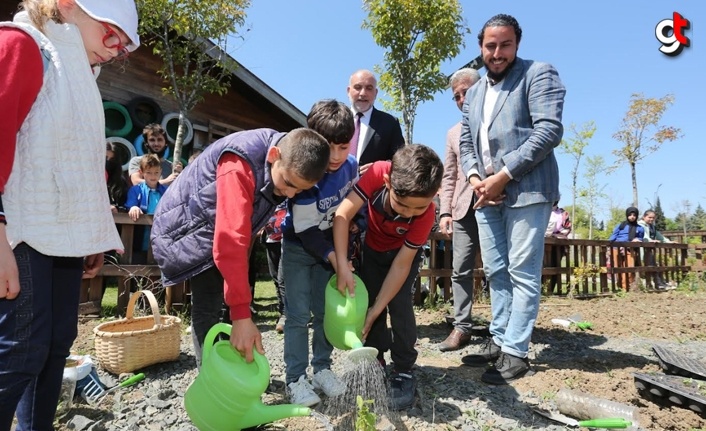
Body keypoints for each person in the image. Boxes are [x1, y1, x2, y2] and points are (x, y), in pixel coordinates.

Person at [0, 0, 139, 427]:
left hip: (60, 235)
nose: (116, 50)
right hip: (20, 229)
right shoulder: (25, 45)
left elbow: (78, 163)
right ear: (67, 5)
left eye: (125, 47)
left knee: (56, 344)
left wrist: (90, 236)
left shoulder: (80, 76)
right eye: (112, 34)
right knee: (21, 348)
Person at [150, 128, 330, 366]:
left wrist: (240, 313)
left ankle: (232, 370)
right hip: (186, 231)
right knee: (209, 304)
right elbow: (230, 241)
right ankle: (213, 381)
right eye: (288, 183)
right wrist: (242, 314)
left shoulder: (286, 154)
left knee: (228, 306)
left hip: (211, 228)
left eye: (299, 190)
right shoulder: (239, 164)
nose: (290, 193)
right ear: (274, 155)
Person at [458, 14, 566, 385]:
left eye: (505, 45)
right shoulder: (473, 92)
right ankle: (500, 339)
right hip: (486, 194)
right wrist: (476, 179)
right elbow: (466, 143)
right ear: (481, 48)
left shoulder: (538, 73)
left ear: (517, 44)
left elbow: (549, 131)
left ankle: (516, 351)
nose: (497, 53)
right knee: (495, 270)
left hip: (527, 189)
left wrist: (502, 176)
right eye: (490, 45)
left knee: (522, 271)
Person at [333, 144, 443, 410]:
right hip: (371, 249)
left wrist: (376, 310)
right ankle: (376, 359)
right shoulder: (379, 172)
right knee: (370, 299)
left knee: (400, 304)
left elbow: (401, 266)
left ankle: (404, 368)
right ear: (387, 182)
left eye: (418, 208)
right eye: (402, 204)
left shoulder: (426, 214)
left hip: (402, 257)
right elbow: (342, 214)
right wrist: (341, 265)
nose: (408, 214)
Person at [281, 100, 357, 407]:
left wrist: (347, 247)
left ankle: (323, 369)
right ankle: (295, 379)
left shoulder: (351, 167)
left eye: (343, 146)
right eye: (329, 147)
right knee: (298, 315)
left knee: (325, 314)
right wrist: (337, 260)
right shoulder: (308, 173)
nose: (336, 157)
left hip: (331, 250)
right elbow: (306, 230)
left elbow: (352, 212)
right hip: (300, 247)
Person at [437, 67, 482, 352]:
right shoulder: (453, 133)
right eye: (457, 96)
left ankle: (509, 331)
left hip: (497, 203)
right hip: (464, 209)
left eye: (467, 92)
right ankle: (462, 326)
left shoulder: (498, 122)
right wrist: (445, 212)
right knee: (460, 269)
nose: (462, 99)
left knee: (501, 269)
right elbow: (449, 175)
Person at [347, 69, 405, 175]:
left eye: (369, 88)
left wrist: (381, 167)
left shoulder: (390, 123)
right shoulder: (335, 118)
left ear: (376, 93)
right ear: (348, 91)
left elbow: (401, 161)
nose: (363, 93)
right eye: (358, 87)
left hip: (372, 188)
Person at [126, 154, 167, 256]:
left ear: (161, 171)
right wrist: (133, 207)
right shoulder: (136, 189)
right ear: (142, 172)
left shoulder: (167, 191)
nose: (153, 176)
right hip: (141, 235)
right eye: (149, 172)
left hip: (161, 235)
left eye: (156, 172)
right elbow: (131, 202)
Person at [263, 202, 287, 332]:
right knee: (275, 278)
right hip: (270, 238)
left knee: (282, 278)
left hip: (287, 238)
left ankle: (285, 315)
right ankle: (281, 311)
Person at [609, 206, 645, 289]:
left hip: (630, 249)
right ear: (627, 215)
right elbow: (613, 237)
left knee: (629, 267)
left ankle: (627, 287)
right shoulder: (621, 226)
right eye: (630, 215)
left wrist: (637, 239)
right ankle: (620, 286)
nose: (632, 217)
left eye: (634, 215)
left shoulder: (640, 228)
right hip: (617, 248)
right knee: (618, 267)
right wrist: (609, 247)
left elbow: (640, 238)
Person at [638, 209, 671, 289]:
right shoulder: (640, 225)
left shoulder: (652, 226)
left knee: (654, 266)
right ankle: (656, 284)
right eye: (649, 217)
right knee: (650, 266)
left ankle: (659, 283)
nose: (651, 219)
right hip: (642, 250)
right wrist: (650, 240)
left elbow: (660, 236)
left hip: (649, 250)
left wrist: (668, 241)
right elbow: (644, 236)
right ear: (644, 217)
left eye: (653, 218)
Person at [545, 200, 572, 293]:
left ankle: (550, 290)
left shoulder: (564, 213)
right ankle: (541, 290)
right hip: (541, 243)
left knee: (555, 266)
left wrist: (555, 235)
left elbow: (567, 228)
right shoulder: (541, 210)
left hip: (558, 245)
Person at [106, 142, 129, 213]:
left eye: (112, 159)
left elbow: (125, 205)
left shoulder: (121, 182)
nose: (108, 162)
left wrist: (117, 209)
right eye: (105, 158)